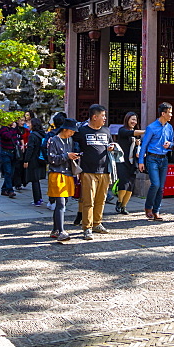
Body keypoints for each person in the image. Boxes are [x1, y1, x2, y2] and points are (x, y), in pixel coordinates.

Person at [75, 104, 114, 240]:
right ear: (94, 117)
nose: (105, 118)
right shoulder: (82, 131)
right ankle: (87, 227)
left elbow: (110, 144)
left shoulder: (106, 131)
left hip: (104, 171)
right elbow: (74, 146)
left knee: (101, 200)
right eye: (102, 116)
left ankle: (97, 223)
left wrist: (112, 147)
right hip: (88, 171)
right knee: (88, 201)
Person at [138, 102, 174, 221]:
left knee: (161, 187)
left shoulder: (169, 127)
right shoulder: (151, 127)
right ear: (163, 113)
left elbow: (172, 143)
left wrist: (169, 144)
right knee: (156, 184)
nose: (171, 115)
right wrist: (141, 161)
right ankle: (148, 207)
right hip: (152, 158)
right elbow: (144, 145)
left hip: (164, 159)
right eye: (169, 113)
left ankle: (156, 211)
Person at [46, 118, 80, 243]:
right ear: (65, 129)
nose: (72, 134)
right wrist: (66, 156)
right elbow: (51, 158)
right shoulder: (53, 140)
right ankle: (61, 231)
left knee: (63, 203)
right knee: (60, 204)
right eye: (71, 131)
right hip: (57, 174)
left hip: (68, 174)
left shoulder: (69, 140)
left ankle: (55, 229)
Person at [115, 112, 144, 214]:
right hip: (122, 161)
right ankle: (119, 202)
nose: (133, 122)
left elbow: (138, 149)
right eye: (132, 119)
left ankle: (124, 206)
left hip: (133, 162)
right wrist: (146, 131)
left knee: (131, 185)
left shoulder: (137, 136)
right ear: (127, 119)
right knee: (124, 182)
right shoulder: (122, 130)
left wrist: (138, 146)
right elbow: (130, 133)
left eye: (135, 120)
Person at [23, 117, 46, 205]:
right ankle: (39, 198)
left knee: (34, 180)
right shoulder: (43, 134)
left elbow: (30, 149)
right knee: (37, 180)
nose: (28, 125)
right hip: (41, 159)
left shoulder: (33, 135)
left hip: (34, 159)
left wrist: (26, 160)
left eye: (30, 123)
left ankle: (37, 199)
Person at [0, 120, 20, 197]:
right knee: (8, 171)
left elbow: (19, 135)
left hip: (13, 152)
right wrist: (13, 129)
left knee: (11, 173)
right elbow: (8, 136)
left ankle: (4, 189)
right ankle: (10, 190)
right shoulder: (3, 129)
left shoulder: (15, 129)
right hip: (5, 152)